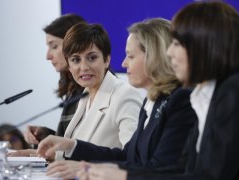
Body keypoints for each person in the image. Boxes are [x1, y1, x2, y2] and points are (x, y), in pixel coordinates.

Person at [76, 1, 239, 180]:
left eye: (177, 44)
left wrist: (126, 176)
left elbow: (210, 177)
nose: (168, 53)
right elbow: (182, 170)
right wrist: (103, 170)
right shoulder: (210, 94)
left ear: (204, 44)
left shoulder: (237, 93)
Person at [36, 18, 196, 179]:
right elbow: (130, 157)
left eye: (130, 56)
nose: (124, 63)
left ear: (154, 56)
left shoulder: (179, 100)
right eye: (75, 60)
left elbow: (162, 169)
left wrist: (92, 170)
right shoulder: (152, 100)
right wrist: (73, 148)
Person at [36, 22, 143, 179]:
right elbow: (73, 155)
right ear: (69, 65)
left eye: (91, 58)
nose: (84, 67)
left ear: (106, 60)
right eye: (76, 60)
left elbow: (133, 159)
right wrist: (37, 156)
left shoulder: (125, 95)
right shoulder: (86, 95)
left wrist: (83, 168)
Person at [23, 14, 86, 145]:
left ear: (74, 45)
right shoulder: (72, 88)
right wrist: (45, 135)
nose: (48, 56)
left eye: (54, 46)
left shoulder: (91, 88)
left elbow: (88, 147)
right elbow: (73, 141)